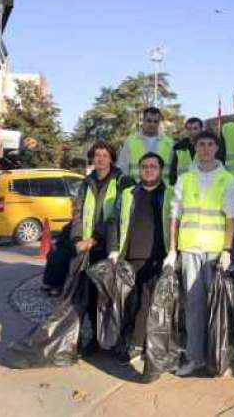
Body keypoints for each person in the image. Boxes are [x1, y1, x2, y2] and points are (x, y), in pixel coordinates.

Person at [168, 130, 234, 376]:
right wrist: (171, 250)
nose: (206, 149)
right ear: (196, 149)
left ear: (217, 149)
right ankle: (194, 358)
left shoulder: (228, 180)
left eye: (210, 144)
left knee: (217, 307)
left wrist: (227, 249)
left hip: (215, 251)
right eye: (201, 145)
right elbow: (174, 216)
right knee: (194, 307)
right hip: (190, 249)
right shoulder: (185, 179)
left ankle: (219, 357)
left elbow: (231, 218)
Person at [107, 152, 171, 382]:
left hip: (157, 258)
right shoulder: (128, 194)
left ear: (161, 170)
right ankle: (125, 341)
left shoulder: (170, 193)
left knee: (148, 304)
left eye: (153, 166)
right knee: (127, 302)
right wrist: (114, 248)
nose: (149, 170)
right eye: (145, 166)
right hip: (130, 257)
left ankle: (136, 344)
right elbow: (114, 221)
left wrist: (173, 254)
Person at [69, 141, 134, 354]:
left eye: (105, 155)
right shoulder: (86, 183)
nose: (100, 159)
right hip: (87, 247)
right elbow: (78, 213)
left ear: (111, 158)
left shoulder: (122, 181)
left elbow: (115, 216)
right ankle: (96, 339)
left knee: (109, 296)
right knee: (89, 296)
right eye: (97, 155)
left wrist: (95, 239)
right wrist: (78, 238)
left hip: (111, 247)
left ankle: (115, 339)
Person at [117, 107, 175, 181]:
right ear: (143, 121)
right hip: (136, 190)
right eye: (149, 121)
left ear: (159, 123)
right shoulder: (130, 141)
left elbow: (174, 172)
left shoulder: (169, 143)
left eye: (155, 121)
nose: (152, 124)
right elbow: (122, 168)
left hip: (163, 190)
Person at [169, 117, 203, 185]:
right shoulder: (178, 147)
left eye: (195, 128)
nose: (192, 132)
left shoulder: (209, 146)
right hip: (182, 188)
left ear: (201, 129)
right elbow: (173, 170)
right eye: (189, 129)